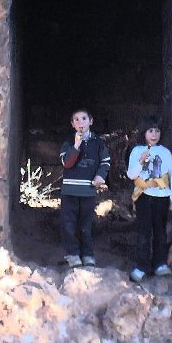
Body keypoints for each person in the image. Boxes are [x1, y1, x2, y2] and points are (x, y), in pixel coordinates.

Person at [127, 115, 172, 282]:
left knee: (160, 230)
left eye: (157, 130)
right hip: (144, 195)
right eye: (150, 130)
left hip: (162, 197)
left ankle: (160, 264)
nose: (154, 134)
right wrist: (141, 161)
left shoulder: (165, 152)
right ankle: (141, 266)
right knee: (143, 232)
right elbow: (131, 174)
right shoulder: (136, 151)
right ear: (144, 132)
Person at [59, 108, 110, 268]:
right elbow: (67, 163)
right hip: (70, 191)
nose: (80, 122)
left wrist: (101, 175)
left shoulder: (98, 143)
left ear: (91, 121)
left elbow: (105, 161)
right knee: (69, 224)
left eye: (84, 118)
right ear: (72, 124)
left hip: (88, 191)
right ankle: (72, 254)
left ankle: (87, 254)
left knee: (86, 225)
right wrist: (76, 145)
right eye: (76, 120)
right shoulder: (68, 142)